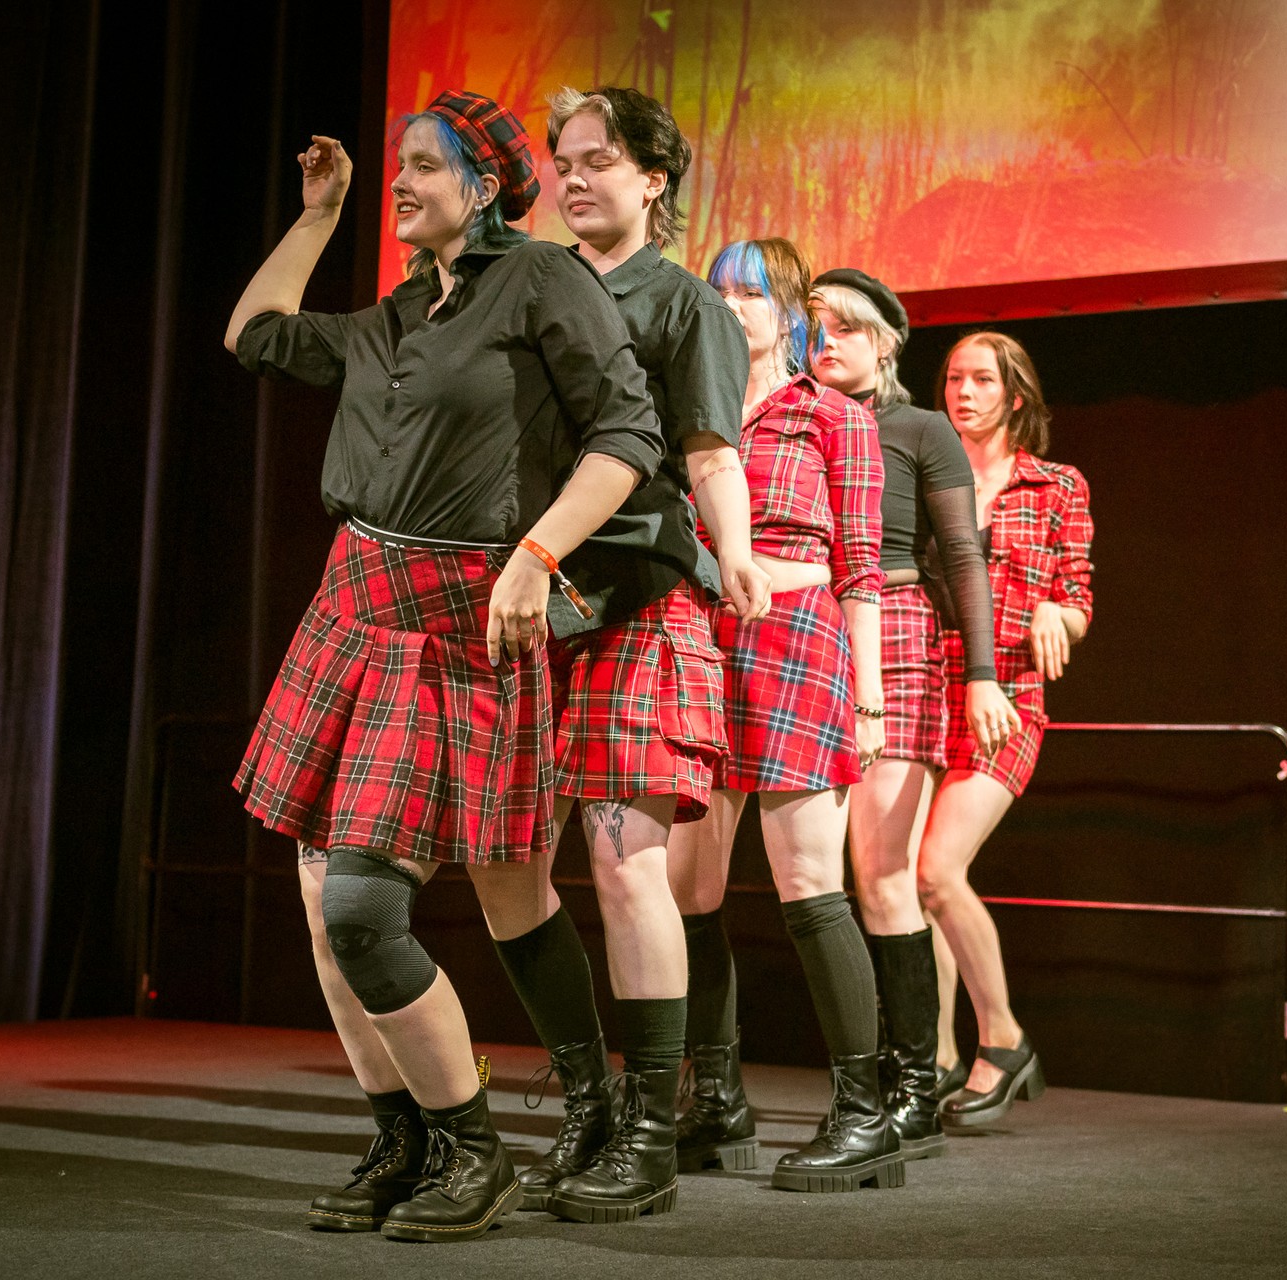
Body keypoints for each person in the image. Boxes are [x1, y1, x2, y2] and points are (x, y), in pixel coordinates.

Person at [225, 91, 665, 1241]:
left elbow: (628, 437)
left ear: (484, 180)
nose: (402, 180)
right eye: (400, 164)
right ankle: (409, 1136)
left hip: (459, 623)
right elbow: (254, 332)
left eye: (424, 163)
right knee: (326, 900)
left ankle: (487, 1144)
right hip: (353, 610)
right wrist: (320, 215)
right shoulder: (395, 313)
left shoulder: (543, 281)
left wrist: (538, 553)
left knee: (381, 904)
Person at [460, 84, 766, 1226]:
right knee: (504, 864)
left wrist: (735, 550)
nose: (576, 177)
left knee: (625, 857)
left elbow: (709, 451)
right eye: (565, 161)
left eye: (600, 159)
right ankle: (589, 1100)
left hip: (638, 596)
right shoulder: (527, 282)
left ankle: (649, 1128)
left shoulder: (684, 305)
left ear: (653, 179)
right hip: (524, 607)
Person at [666, 237, 905, 1193]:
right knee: (688, 887)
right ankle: (717, 1104)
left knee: (809, 881)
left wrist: (870, 700)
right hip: (698, 641)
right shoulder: (693, 409)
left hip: (799, 642)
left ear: (790, 310)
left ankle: (866, 1114)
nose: (732, 306)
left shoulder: (832, 416)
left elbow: (862, 569)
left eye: (751, 292)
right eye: (719, 291)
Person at [806, 269, 1018, 1160]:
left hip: (893, 626)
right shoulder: (790, 422)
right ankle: (863, 1088)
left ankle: (912, 1088)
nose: (826, 342)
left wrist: (980, 675)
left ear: (886, 341)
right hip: (805, 627)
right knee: (814, 877)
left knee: (884, 872)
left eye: (846, 328)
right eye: (814, 326)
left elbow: (963, 556)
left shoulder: (921, 429)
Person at [918, 331, 1093, 1128]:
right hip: (925, 685)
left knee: (936, 871)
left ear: (1015, 395)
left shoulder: (1056, 485)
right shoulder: (926, 473)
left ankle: (1003, 1038)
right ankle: (936, 1058)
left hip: (1007, 698)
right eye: (954, 378)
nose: (963, 392)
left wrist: (1058, 610)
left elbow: (1078, 595)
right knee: (908, 889)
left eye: (981, 380)